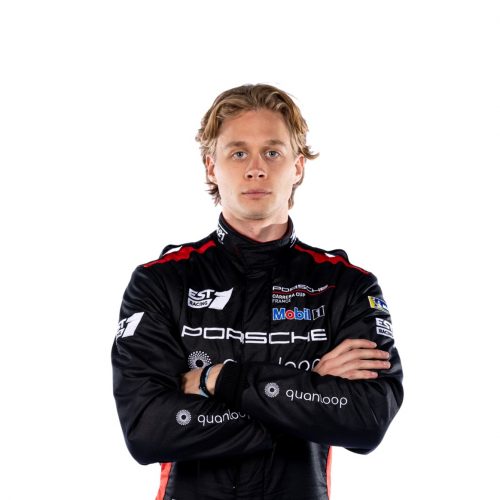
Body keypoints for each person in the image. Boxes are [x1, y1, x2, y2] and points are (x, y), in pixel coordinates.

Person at [112, 83, 404, 500]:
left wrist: (219, 380)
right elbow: (147, 429)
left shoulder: (347, 286)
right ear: (211, 167)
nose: (256, 169)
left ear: (297, 167)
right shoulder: (161, 281)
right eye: (238, 153)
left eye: (272, 152)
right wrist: (307, 392)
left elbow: (367, 420)